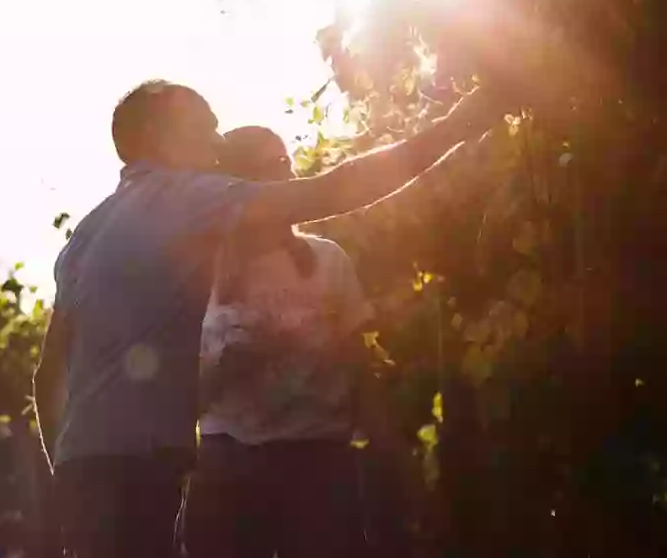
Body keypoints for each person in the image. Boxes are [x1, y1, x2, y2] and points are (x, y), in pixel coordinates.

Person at [33, 80, 495, 558]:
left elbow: (47, 376)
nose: (217, 144)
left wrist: (65, 475)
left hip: (84, 471)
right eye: (205, 127)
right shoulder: (184, 198)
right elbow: (332, 191)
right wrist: (456, 127)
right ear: (158, 132)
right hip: (140, 472)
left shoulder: (84, 235)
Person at [181, 126, 408, 558]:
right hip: (227, 468)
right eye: (269, 167)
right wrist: (225, 370)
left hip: (317, 465)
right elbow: (179, 401)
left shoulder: (327, 260)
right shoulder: (199, 279)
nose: (286, 176)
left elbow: (361, 368)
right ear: (238, 187)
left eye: (285, 162)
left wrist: (387, 453)